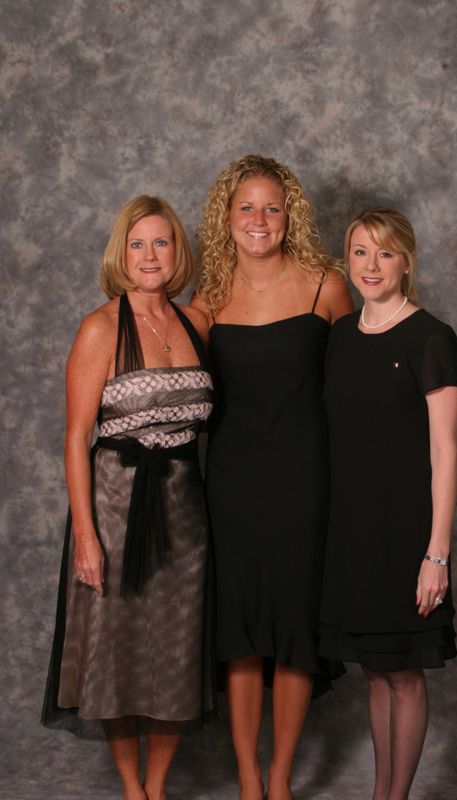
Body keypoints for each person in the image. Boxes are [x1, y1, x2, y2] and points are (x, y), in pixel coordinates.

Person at [42, 195, 215, 800]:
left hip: (184, 511)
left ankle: (159, 786)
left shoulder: (198, 322)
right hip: (115, 508)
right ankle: (131, 789)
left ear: (178, 251)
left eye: (162, 242)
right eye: (138, 244)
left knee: (176, 651)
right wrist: (87, 538)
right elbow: (74, 436)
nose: (151, 256)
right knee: (115, 649)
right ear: (122, 253)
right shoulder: (99, 327)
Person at [192, 154, 353, 800]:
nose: (259, 220)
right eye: (246, 208)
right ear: (226, 219)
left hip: (305, 482)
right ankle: (250, 782)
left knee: (292, 627)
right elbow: (170, 383)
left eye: (272, 208)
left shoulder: (327, 286)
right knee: (240, 633)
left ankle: (281, 780)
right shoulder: (205, 302)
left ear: (290, 217)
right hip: (230, 485)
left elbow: (360, 384)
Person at [319, 207, 457, 800]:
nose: (370, 266)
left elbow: (445, 453)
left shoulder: (432, 338)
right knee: (375, 670)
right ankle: (382, 793)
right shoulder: (338, 338)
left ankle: (394, 798)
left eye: (384, 253)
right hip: (352, 531)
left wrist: (437, 555)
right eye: (359, 252)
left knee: (403, 671)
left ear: (406, 260)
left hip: (407, 535)